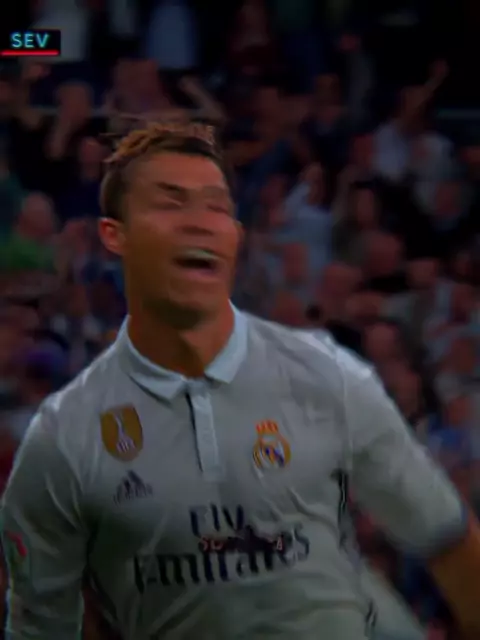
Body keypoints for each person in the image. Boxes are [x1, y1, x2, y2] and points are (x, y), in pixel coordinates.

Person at [2, 119, 480, 640]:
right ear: (115, 236)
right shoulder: (64, 436)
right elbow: (40, 625)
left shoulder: (329, 377)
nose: (199, 223)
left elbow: (447, 539)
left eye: (216, 206)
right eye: (170, 203)